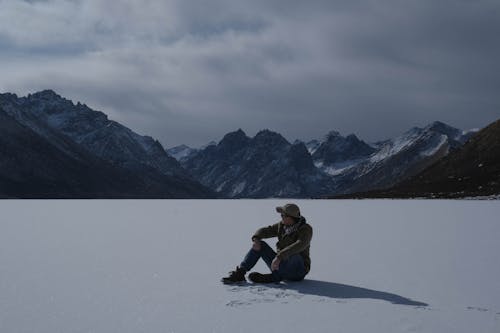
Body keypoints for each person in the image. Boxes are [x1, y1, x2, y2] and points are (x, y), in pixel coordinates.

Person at [222, 203, 313, 284]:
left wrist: (279, 256)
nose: (281, 217)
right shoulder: (282, 226)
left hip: (298, 270)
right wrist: (256, 239)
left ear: (290, 217)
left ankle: (275, 277)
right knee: (260, 245)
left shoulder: (305, 229)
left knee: (295, 255)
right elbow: (266, 230)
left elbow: (300, 244)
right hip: (279, 264)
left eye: (283, 215)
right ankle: (240, 273)